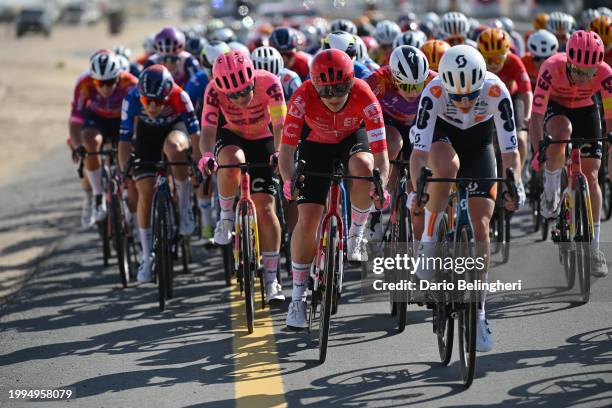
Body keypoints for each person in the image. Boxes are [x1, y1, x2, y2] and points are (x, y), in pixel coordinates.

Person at [409, 45, 524, 352]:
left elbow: (510, 152)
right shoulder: (432, 92)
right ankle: (430, 241)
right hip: (442, 139)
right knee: (446, 168)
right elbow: (419, 154)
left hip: (479, 144)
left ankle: (480, 313)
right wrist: (418, 187)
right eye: (455, 96)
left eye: (470, 95)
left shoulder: (496, 90)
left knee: (482, 226)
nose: (463, 102)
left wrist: (517, 184)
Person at [278, 49, 390, 329]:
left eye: (341, 88)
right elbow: (286, 150)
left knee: (365, 168)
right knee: (308, 220)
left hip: (351, 139)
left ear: (351, 82)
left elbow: (381, 155)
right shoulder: (302, 96)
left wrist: (381, 186)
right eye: (326, 91)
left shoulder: (365, 95)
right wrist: (289, 180)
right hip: (315, 145)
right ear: (314, 86)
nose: (334, 96)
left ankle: (356, 233)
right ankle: (298, 297)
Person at [198, 50, 287, 303]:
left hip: (264, 138)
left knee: (266, 209)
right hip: (231, 136)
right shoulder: (213, 90)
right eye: (233, 95)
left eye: (245, 91)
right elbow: (207, 130)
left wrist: (280, 152)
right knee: (231, 162)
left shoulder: (269, 83)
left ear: (252, 79)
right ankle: (225, 218)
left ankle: (272, 279)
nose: (240, 98)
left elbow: (281, 125)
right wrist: (205, 155)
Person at [529, 30, 612, 277]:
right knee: (562, 132)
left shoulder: (606, 74)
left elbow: (610, 116)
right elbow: (535, 116)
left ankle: (595, 248)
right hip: (557, 108)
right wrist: (537, 151)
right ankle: (552, 190)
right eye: (578, 71)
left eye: (589, 73)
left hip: (586, 110)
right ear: (568, 61)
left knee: (592, 176)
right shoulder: (550, 67)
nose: (584, 78)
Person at [119, 65, 200, 282]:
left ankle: (184, 208)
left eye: (158, 101)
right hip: (147, 137)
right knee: (145, 192)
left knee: (175, 148)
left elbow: (195, 135)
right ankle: (147, 257)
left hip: (175, 129)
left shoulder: (179, 95)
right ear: (141, 96)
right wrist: (124, 171)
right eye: (148, 101)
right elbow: (125, 141)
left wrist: (199, 166)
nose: (153, 106)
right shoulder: (131, 97)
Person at [366, 46, 437, 241]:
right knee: (394, 143)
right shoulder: (379, 80)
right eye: (406, 86)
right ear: (394, 78)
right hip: (388, 123)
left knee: (418, 175)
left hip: (418, 123)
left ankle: (417, 239)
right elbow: (360, 106)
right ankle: (376, 207)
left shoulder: (433, 80)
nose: (413, 92)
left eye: (417, 85)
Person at [70, 50, 138, 225]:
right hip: (97, 119)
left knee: (130, 155)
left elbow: (140, 117)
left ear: (118, 76)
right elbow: (75, 121)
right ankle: (98, 196)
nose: (105, 88)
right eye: (101, 83)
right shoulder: (83, 84)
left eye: (110, 82)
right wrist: (79, 147)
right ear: (93, 79)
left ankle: (132, 205)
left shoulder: (130, 83)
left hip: (122, 119)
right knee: (90, 143)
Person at [478, 28, 533, 173]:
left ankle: (518, 177)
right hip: (485, 101)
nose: (493, 64)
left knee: (520, 139)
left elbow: (526, 92)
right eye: (488, 59)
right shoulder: (475, 62)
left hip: (512, 99)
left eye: (497, 59)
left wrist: (527, 116)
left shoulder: (514, 61)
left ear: (506, 55)